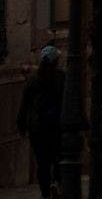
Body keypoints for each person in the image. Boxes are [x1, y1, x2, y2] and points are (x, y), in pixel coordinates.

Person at [15, 45, 64, 199]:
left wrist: (21, 125)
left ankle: (45, 192)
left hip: (37, 128)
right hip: (57, 125)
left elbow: (24, 105)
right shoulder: (61, 78)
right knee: (58, 158)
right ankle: (56, 182)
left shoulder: (33, 80)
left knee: (42, 161)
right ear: (56, 61)